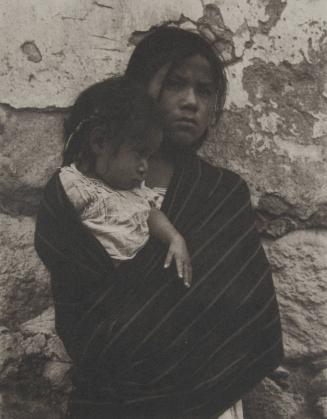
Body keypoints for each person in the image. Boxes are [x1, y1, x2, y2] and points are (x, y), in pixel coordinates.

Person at [35, 26, 283, 419]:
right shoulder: (80, 190)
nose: (190, 102)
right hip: (109, 400)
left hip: (205, 401)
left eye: (204, 91)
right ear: (137, 91)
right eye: (175, 84)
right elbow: (80, 306)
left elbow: (241, 313)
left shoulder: (221, 195)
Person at [60, 76, 192, 286]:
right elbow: (60, 233)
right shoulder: (75, 186)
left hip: (135, 287)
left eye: (149, 157)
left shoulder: (133, 191)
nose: (144, 167)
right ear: (99, 142)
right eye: (139, 154)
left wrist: (175, 238)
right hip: (96, 288)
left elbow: (150, 213)